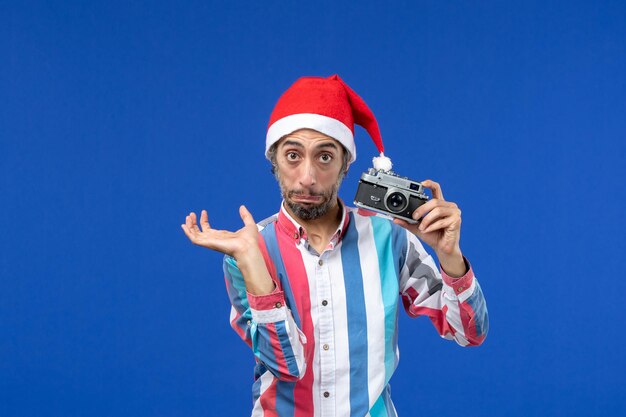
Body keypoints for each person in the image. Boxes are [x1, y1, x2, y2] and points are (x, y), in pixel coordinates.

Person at [181, 74, 489, 417]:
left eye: (324, 157)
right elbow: (286, 367)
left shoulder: (391, 238)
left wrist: (449, 256)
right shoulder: (246, 252)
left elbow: (469, 333)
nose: (307, 177)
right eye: (293, 155)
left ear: (346, 163)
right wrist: (254, 267)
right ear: (274, 162)